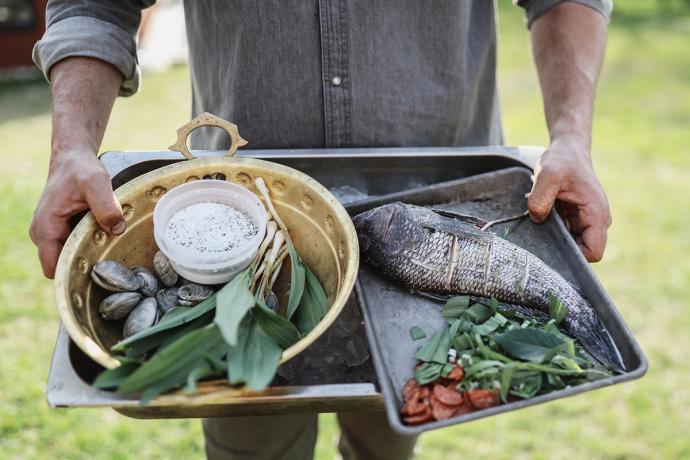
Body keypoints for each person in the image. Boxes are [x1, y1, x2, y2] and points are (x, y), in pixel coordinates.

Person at [30, 1, 613, 459]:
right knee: (251, 446)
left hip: (434, 218)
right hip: (248, 231)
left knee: (392, 433)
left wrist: (569, 137)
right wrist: (71, 149)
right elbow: (94, 3)